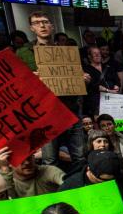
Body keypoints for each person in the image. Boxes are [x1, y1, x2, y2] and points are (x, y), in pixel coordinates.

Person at [15, 12, 86, 170]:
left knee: (79, 156)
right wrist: (31, 78)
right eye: (37, 23)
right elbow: (18, 82)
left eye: (45, 22)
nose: (42, 25)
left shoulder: (65, 51)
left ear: (52, 26)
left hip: (70, 107)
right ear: (32, 28)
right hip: (44, 111)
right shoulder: (24, 53)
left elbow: (75, 75)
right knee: (50, 158)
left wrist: (82, 77)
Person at [58, 151, 123, 214]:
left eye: (111, 181)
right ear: (89, 170)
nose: (107, 184)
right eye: (103, 180)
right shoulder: (70, 186)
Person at [0, 154, 64, 198]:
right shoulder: (8, 179)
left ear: (34, 157)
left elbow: (66, 182)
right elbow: (8, 201)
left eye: (29, 157)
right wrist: (4, 168)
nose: (27, 162)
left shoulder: (48, 170)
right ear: (9, 163)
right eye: (20, 160)